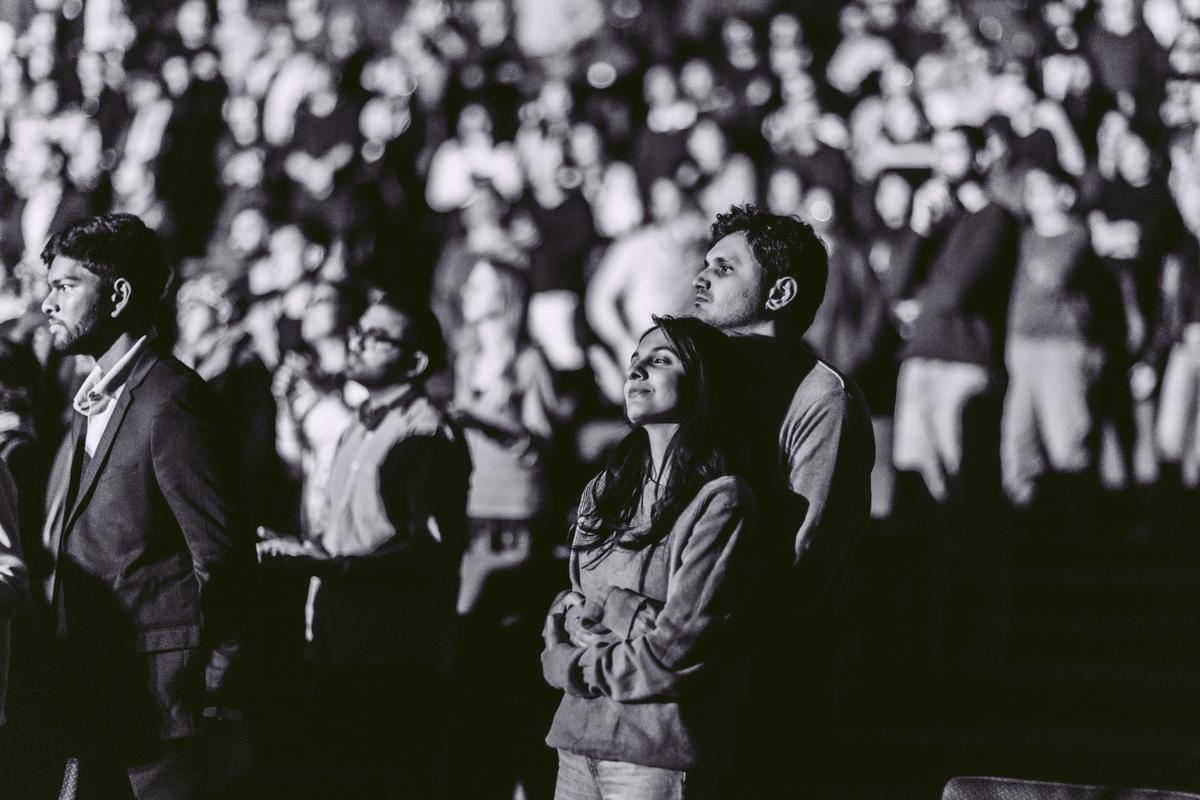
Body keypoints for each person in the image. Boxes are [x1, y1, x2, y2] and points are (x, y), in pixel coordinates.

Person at [38, 213, 254, 799]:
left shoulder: (172, 401)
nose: (47, 304)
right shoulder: (89, 402)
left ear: (119, 295)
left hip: (163, 707)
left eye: (65, 286)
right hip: (96, 691)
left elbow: (224, 558)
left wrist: (212, 692)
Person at [687, 203, 875, 792]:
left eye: (724, 268)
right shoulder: (697, 380)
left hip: (774, 669)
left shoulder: (824, 400)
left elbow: (806, 550)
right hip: (692, 655)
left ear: (779, 292)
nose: (702, 276)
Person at [258, 294, 471, 800]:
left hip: (393, 657)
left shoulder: (424, 432)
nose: (357, 341)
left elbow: (427, 550)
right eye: (359, 330)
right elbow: (351, 528)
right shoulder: (359, 422)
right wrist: (303, 548)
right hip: (341, 641)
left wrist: (333, 567)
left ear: (416, 362)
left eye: (377, 337)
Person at [542, 315, 753, 799]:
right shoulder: (604, 490)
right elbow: (572, 605)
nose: (636, 372)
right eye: (634, 362)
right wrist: (571, 620)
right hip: (575, 744)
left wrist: (578, 657)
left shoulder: (722, 500)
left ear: (701, 383)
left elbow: (676, 650)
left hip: (653, 757)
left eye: (660, 361)